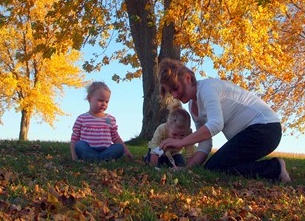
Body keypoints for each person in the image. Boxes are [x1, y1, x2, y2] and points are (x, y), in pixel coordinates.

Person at [158, 58, 290, 182]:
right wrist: (187, 169)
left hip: (266, 129)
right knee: (214, 168)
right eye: (171, 92)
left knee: (216, 167)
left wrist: (182, 142)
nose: (175, 95)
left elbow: (216, 124)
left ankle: (275, 168)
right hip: (251, 133)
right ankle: (273, 168)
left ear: (188, 78)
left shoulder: (207, 88)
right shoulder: (192, 105)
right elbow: (205, 143)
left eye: (176, 88)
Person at [70, 82, 132, 161]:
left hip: (105, 150)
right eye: (100, 100)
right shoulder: (82, 118)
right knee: (79, 145)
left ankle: (95, 159)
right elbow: (74, 139)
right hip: (88, 149)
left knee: (119, 148)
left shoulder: (109, 119)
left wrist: (126, 151)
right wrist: (74, 157)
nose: (104, 104)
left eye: (106, 101)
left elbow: (115, 137)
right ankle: (100, 159)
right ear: (89, 98)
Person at [144, 103, 195, 168]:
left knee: (180, 165)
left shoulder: (189, 133)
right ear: (168, 127)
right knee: (154, 163)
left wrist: (187, 168)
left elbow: (189, 155)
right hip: (159, 151)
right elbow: (154, 152)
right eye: (174, 134)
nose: (177, 139)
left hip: (175, 153)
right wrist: (154, 168)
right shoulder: (161, 129)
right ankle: (146, 157)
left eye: (182, 136)